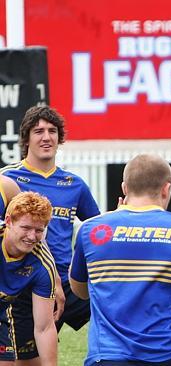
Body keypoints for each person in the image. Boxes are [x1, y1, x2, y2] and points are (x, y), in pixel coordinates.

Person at [69, 153, 171, 365]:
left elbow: (80, 291)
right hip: (164, 356)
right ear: (166, 189)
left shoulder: (91, 229)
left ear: (125, 188)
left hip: (105, 357)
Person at [0, 105, 101, 364]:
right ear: (26, 138)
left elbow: (95, 229)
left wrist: (123, 217)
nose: (46, 137)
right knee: (28, 357)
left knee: (113, 301)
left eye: (52, 131)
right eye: (39, 131)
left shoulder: (74, 183)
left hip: (68, 280)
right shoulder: (8, 179)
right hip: (27, 281)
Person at [0, 192, 58, 365]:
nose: (32, 237)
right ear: (9, 221)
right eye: (26, 228)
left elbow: (44, 327)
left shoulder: (43, 265)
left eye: (39, 230)